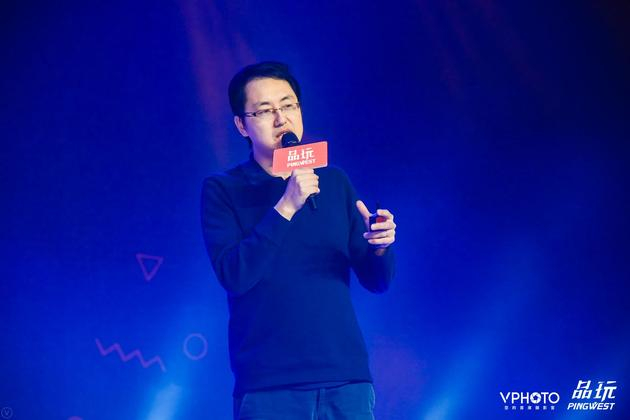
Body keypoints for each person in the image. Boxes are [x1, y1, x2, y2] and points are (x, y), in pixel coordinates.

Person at [201, 61, 397, 419]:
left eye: (288, 105)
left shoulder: (333, 182)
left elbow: (377, 281)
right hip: (270, 386)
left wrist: (380, 246)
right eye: (265, 110)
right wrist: (286, 206)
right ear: (241, 125)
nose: (281, 119)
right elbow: (234, 275)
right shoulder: (223, 189)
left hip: (346, 379)